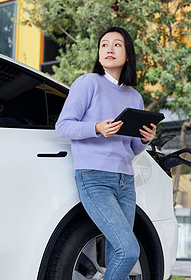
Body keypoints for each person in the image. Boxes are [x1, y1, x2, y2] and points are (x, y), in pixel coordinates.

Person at [55, 27, 156, 280]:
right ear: (99, 53)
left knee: (116, 255)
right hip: (94, 178)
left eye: (117, 45)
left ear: (128, 55)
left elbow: (132, 149)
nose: (109, 49)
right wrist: (97, 128)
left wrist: (145, 139)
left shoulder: (134, 97)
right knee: (128, 249)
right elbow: (63, 126)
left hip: (125, 181)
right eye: (104, 45)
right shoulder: (88, 83)